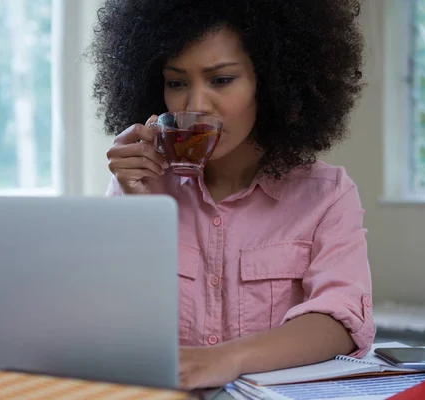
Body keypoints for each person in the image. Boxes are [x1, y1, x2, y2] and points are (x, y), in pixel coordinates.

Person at [89, 0, 375, 390]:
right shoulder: (140, 185)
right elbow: (104, 319)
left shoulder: (328, 196)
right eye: (176, 83)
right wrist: (136, 209)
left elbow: (340, 320)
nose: (195, 105)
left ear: (272, 82)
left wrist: (223, 360)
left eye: (221, 80)